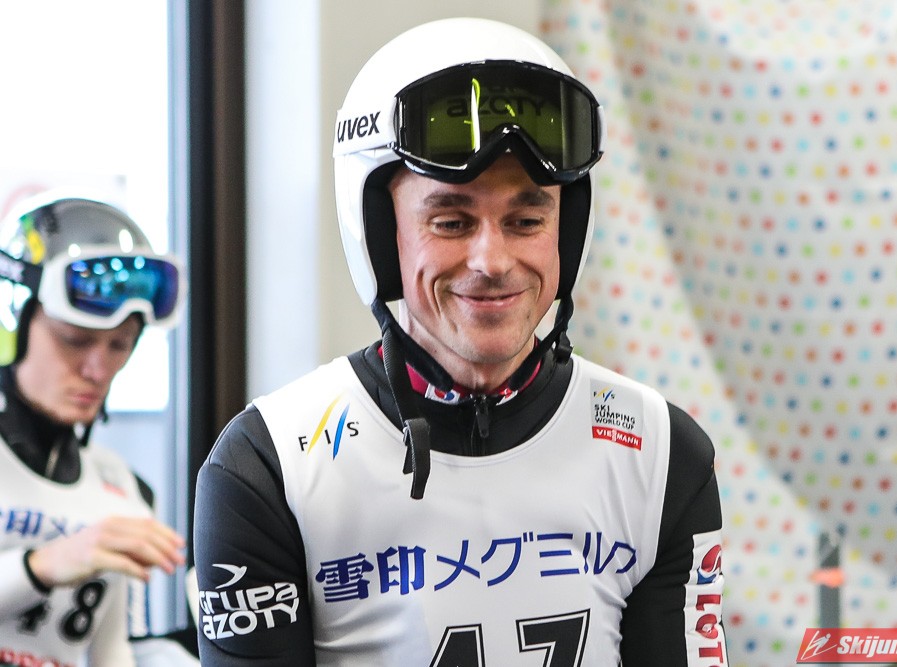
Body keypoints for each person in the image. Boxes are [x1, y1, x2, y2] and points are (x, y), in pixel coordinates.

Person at [194, 17, 727, 665]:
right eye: (450, 221)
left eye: (526, 220)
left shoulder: (662, 452)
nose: (492, 261)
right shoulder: (270, 464)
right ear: (381, 237)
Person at [0, 192, 194, 666]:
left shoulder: (125, 491)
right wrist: (43, 565)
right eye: (75, 340)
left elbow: (113, 655)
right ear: (12, 319)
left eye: (120, 345)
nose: (98, 370)